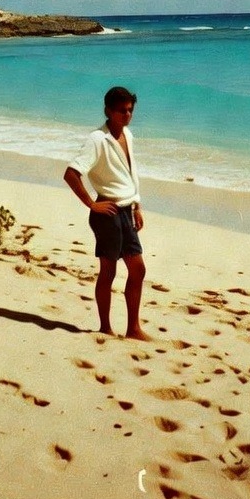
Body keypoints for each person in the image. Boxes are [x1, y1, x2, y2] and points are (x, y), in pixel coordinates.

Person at [63, 86, 149, 340]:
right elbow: (71, 174)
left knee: (138, 269)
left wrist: (137, 205)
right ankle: (105, 327)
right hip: (107, 213)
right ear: (108, 111)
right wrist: (92, 204)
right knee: (108, 271)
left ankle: (133, 328)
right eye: (122, 110)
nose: (127, 115)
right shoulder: (96, 140)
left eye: (130, 110)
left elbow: (130, 173)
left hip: (126, 210)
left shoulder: (128, 135)